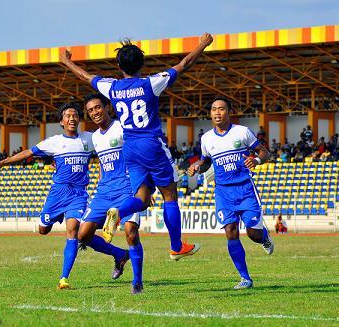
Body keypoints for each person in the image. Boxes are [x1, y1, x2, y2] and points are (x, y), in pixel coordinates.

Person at [60, 33, 213, 260]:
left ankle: (118, 212)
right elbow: (184, 64)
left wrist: (66, 62)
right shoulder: (151, 83)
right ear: (142, 64)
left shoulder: (113, 87)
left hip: (130, 148)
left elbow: (86, 77)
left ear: (119, 66)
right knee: (169, 195)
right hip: (151, 143)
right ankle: (176, 246)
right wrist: (202, 44)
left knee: (142, 197)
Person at [0, 102, 93, 289]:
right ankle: (112, 252)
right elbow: (29, 152)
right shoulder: (54, 142)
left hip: (78, 193)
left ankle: (64, 278)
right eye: (68, 115)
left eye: (75, 115)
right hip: (58, 194)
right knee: (43, 230)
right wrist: (2, 163)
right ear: (61, 121)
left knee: (73, 230)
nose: (72, 118)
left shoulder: (90, 139)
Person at [187, 97, 274, 290]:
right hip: (223, 193)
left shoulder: (242, 132)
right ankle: (245, 278)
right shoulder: (206, 139)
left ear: (229, 112)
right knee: (231, 232)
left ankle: (264, 237)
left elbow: (264, 152)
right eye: (214, 109)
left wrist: (257, 161)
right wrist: (197, 166)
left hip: (245, 189)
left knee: (252, 233)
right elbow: (206, 162)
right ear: (210, 114)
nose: (217, 113)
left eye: (221, 109)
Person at [75, 93, 144, 294]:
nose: (94, 112)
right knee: (83, 234)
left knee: (131, 233)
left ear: (107, 108)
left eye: (97, 107)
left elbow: (139, 155)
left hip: (127, 189)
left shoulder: (123, 127)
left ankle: (137, 282)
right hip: (104, 192)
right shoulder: (95, 137)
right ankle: (119, 255)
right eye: (90, 110)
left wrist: (144, 188)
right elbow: (104, 164)